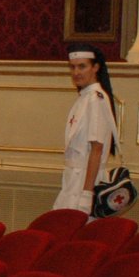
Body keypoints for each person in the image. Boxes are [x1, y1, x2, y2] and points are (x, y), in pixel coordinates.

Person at [54, 46, 120, 214]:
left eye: (82, 66)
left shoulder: (96, 99)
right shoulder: (84, 98)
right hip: (73, 179)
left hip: (85, 181)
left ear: (95, 67)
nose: (76, 72)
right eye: (73, 67)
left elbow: (96, 149)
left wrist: (87, 193)